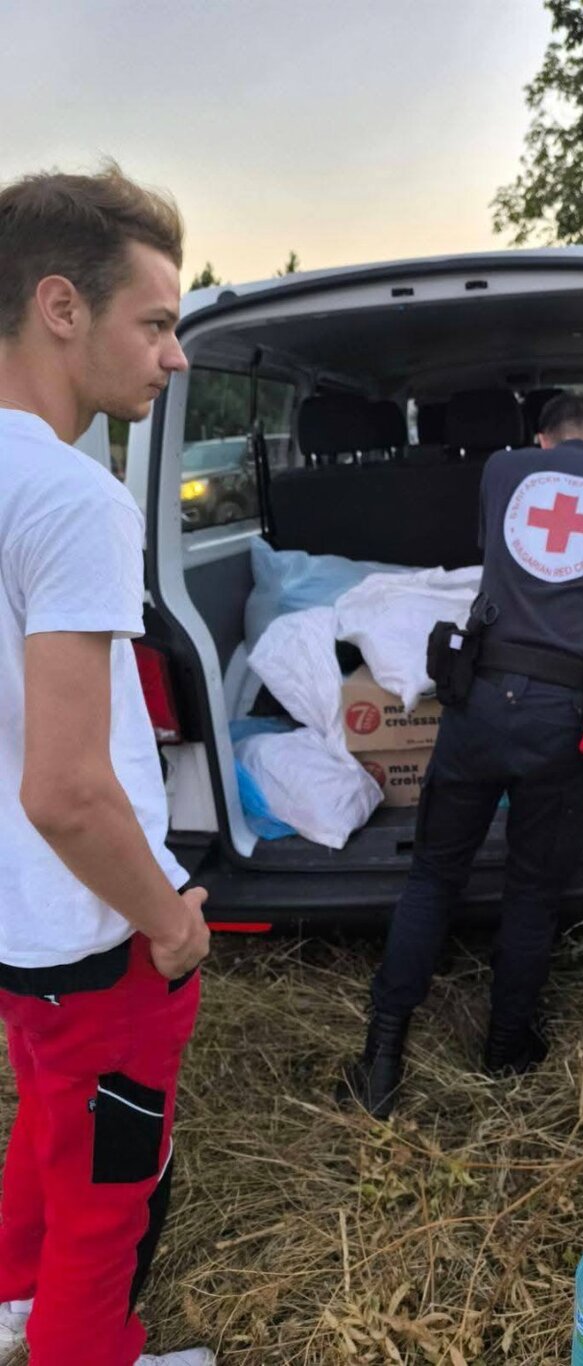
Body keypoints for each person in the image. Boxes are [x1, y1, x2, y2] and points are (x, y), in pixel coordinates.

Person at [0, 166, 215, 1366]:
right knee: (109, 1194)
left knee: (46, 1128)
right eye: (158, 321)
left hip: (17, 928)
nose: (174, 356)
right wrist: (169, 925)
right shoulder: (71, 496)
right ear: (60, 307)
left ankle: (15, 1316)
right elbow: (69, 789)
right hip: (93, 927)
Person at [338, 392, 583, 1117]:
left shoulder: (504, 470)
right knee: (532, 889)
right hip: (565, 719)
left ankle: (382, 1057)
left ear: (542, 439)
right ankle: (506, 1048)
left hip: (479, 705)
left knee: (434, 875)